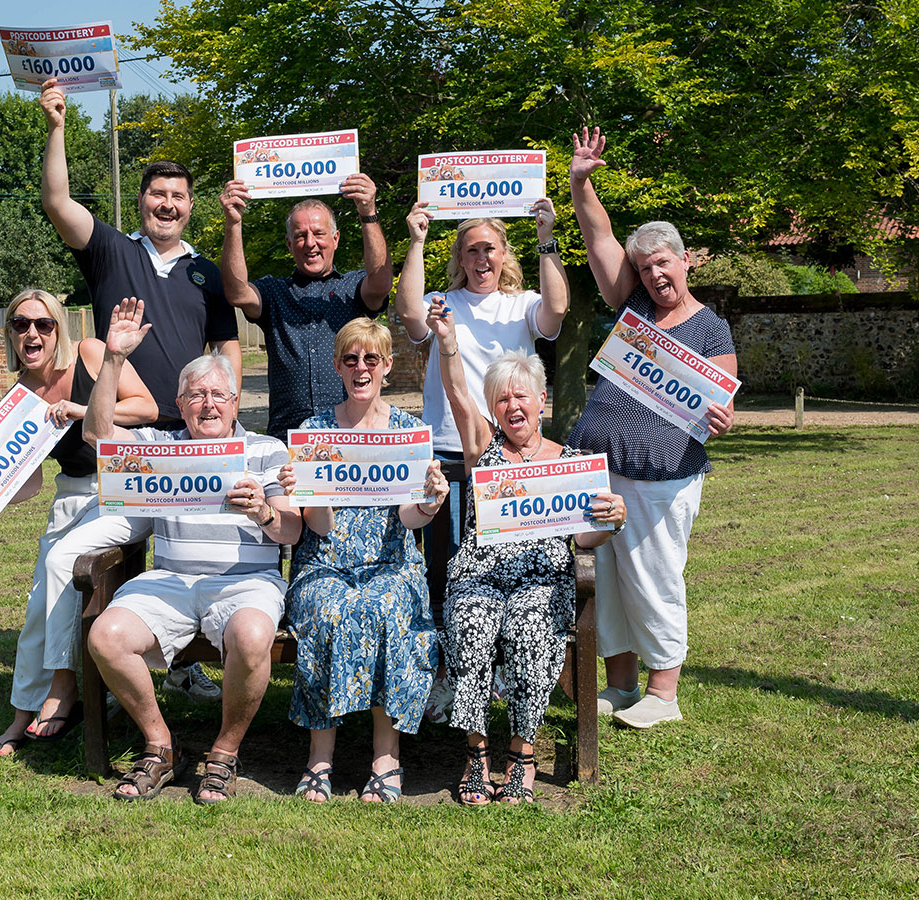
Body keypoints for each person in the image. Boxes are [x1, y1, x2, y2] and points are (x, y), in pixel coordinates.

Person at [40, 75, 238, 701]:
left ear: (190, 206)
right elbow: (57, 203)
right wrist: (57, 127)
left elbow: (227, 348)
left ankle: (182, 666)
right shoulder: (110, 252)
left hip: (191, 440)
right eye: (157, 194)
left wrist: (225, 407)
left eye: (178, 197)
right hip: (123, 440)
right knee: (84, 558)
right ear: (144, 201)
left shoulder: (207, 273)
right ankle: (73, 685)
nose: (167, 205)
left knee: (197, 560)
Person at [84, 297, 302, 803]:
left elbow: (290, 532)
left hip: (246, 583)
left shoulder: (267, 450)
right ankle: (162, 746)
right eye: (196, 395)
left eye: (218, 394)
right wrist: (114, 360)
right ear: (179, 405)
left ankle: (224, 752)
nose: (208, 404)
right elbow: (97, 435)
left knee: (252, 634)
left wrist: (262, 513)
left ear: (235, 401)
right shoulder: (160, 447)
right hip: (172, 581)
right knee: (106, 635)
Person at [566, 126, 738, 729]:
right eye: (644, 268)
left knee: (653, 579)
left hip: (662, 477)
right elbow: (600, 234)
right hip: (598, 466)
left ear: (685, 260)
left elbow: (723, 406)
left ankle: (663, 692)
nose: (654, 276)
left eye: (662, 263)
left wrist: (721, 418)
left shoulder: (711, 328)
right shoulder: (633, 306)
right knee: (606, 579)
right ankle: (619, 685)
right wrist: (581, 183)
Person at [427, 305, 627, 803]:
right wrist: (448, 341)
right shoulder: (483, 451)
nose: (512, 405)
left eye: (521, 395)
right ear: (493, 408)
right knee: (471, 623)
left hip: (542, 579)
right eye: (501, 398)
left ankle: (522, 753)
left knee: (531, 626)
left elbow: (585, 541)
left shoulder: (571, 463)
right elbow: (455, 391)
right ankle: (476, 754)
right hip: (480, 575)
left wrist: (609, 523)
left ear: (542, 399)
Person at [0, 289, 157, 755]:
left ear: (58, 328)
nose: (32, 333)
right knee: (39, 597)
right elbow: (28, 482)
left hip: (126, 486)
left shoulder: (90, 354)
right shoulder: (20, 395)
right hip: (73, 495)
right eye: (21, 324)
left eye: (43, 324)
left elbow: (146, 408)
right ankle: (24, 710)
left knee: (63, 560)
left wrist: (86, 410)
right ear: (10, 333)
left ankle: (63, 689)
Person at [279, 318, 451, 803]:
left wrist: (431, 502)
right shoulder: (315, 430)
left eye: (370, 359)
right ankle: (319, 757)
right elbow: (318, 527)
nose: (361, 368)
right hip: (326, 562)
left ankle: (386, 756)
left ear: (387, 366)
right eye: (351, 359)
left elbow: (409, 518)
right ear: (337, 366)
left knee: (389, 608)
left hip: (392, 563)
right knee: (332, 610)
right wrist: (313, 490)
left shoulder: (408, 432)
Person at [394, 198, 570, 558]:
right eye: (471, 250)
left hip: (507, 451)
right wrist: (416, 241)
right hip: (445, 447)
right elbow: (411, 313)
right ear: (460, 258)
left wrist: (546, 238)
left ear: (503, 254)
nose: (480, 258)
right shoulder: (443, 302)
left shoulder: (520, 304)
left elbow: (556, 310)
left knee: (502, 553)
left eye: (489, 248)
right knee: (447, 557)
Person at [219, 174, 392, 440]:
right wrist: (233, 223)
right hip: (286, 436)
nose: (310, 243)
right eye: (300, 236)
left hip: (349, 433)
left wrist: (368, 213)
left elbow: (381, 284)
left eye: (318, 234)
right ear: (290, 245)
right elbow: (238, 293)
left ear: (335, 239)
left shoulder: (353, 288)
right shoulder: (275, 292)